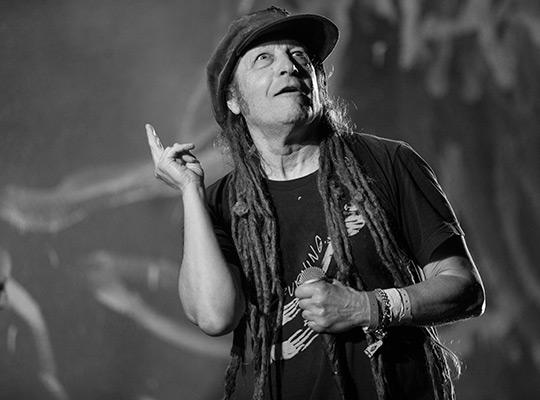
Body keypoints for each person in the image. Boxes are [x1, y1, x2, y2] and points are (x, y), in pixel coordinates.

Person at [146, 6, 485, 400]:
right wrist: (190, 190)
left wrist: (368, 307)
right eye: (264, 58)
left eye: (299, 56)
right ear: (234, 100)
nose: (288, 67)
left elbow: (464, 288)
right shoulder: (221, 204)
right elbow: (213, 316)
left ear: (319, 81)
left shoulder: (388, 162)